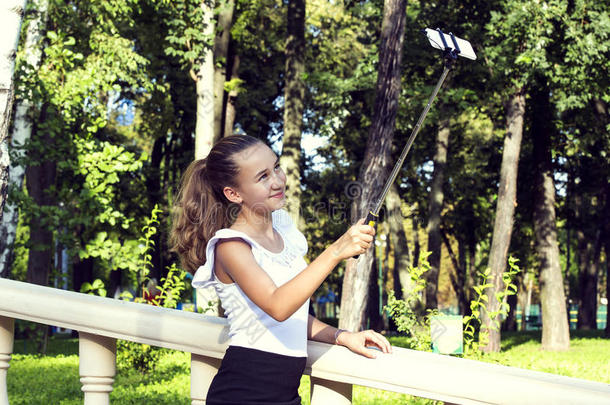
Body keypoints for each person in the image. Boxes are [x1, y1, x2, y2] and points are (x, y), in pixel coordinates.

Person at [170, 134, 392, 405]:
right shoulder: (231, 246)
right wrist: (335, 251)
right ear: (233, 193)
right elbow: (278, 305)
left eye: (275, 167)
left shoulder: (283, 230)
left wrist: (341, 336)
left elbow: (292, 314)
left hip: (284, 394)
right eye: (262, 177)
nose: (277, 180)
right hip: (245, 393)